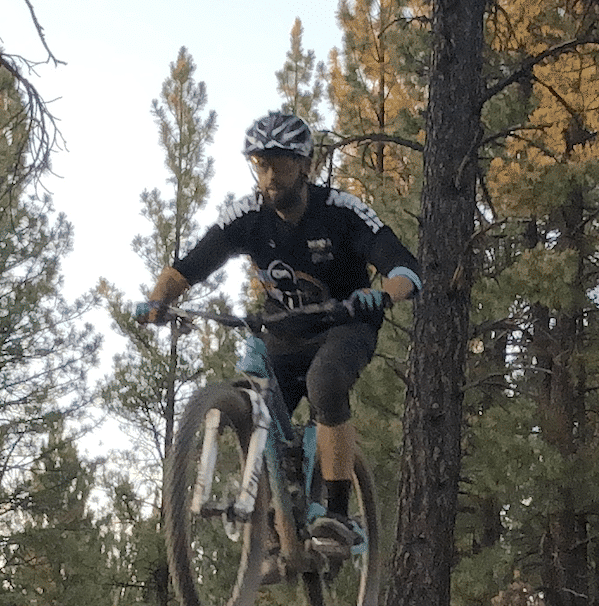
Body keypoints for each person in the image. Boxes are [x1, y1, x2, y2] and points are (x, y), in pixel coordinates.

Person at [144, 110, 421, 544]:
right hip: (285, 330)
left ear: (306, 165)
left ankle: (337, 513)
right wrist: (158, 300)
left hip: (345, 325)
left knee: (325, 383)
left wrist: (384, 293)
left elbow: (404, 267)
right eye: (261, 164)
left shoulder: (340, 211)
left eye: (282, 163)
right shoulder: (248, 216)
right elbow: (189, 266)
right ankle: (277, 518)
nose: (271, 175)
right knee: (256, 407)